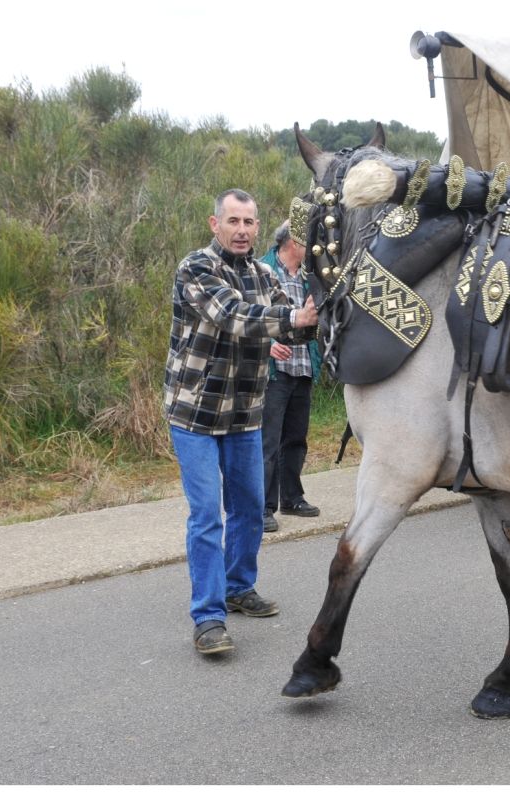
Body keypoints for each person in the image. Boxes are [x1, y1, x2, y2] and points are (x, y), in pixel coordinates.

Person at [164, 188, 318, 656]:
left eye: (249, 222)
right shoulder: (196, 268)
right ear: (216, 225)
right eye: (233, 221)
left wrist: (310, 318)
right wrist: (290, 317)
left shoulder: (263, 273)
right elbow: (232, 316)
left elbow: (293, 324)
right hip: (195, 413)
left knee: (251, 509)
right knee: (208, 515)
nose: (242, 230)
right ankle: (209, 618)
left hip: (245, 413)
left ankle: (238, 588)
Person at [260, 219, 321, 532]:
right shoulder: (261, 270)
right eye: (306, 240)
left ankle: (292, 498)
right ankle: (263, 507)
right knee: (267, 441)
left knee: (296, 438)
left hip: (303, 365)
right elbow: (245, 317)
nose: (311, 246)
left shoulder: (311, 276)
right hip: (274, 371)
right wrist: (268, 345)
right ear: (292, 243)